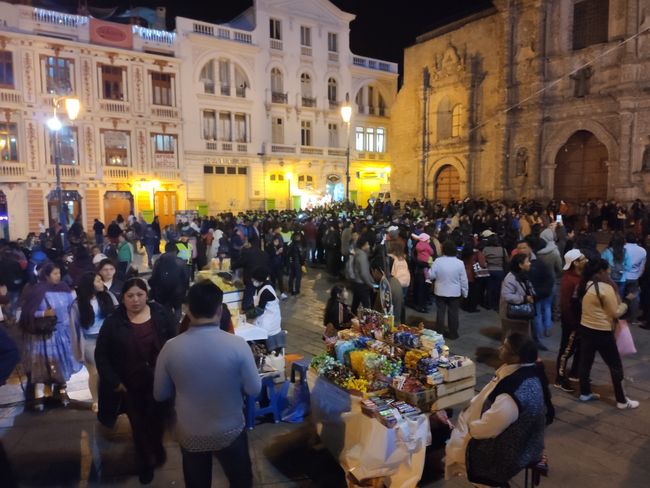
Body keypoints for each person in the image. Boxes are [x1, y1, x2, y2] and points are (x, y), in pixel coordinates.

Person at [154, 281, 260, 488]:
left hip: (191, 432)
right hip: (230, 430)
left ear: (188, 311)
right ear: (220, 309)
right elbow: (254, 389)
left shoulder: (170, 348)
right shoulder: (237, 345)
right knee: (241, 482)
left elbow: (160, 394)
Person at [95, 278, 177, 484]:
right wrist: (115, 382)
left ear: (146, 296)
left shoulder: (160, 314)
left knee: (158, 422)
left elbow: (175, 341)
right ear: (122, 298)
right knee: (139, 427)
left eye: (139, 295)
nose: (135, 300)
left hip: (160, 382)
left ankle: (156, 447)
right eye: (130, 296)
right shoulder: (114, 322)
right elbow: (101, 356)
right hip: (131, 386)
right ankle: (145, 463)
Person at [445, 333, 552, 486]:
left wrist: (469, 429)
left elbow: (488, 428)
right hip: (524, 440)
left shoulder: (513, 392)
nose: (499, 348)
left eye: (505, 347)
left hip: (512, 450)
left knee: (457, 448)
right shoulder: (528, 371)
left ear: (516, 357)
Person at [577, 259, 639, 409]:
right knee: (615, 365)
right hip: (602, 332)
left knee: (585, 362)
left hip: (585, 328)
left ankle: (585, 393)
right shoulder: (605, 288)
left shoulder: (586, 285)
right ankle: (622, 401)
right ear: (600, 272)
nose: (610, 272)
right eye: (608, 270)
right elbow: (615, 312)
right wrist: (627, 301)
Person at [19, 262, 81, 406]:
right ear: (46, 275)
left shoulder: (65, 288)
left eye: (59, 273)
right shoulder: (37, 291)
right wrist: (43, 313)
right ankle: (45, 392)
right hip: (46, 335)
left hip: (63, 333)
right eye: (54, 274)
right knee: (48, 363)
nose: (58, 276)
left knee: (61, 363)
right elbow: (27, 313)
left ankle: (60, 390)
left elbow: (71, 307)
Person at [69, 272, 118, 411]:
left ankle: (111, 397)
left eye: (101, 280)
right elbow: (74, 327)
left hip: (107, 337)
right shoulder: (78, 304)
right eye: (97, 281)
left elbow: (118, 314)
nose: (101, 283)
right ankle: (96, 400)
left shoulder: (108, 297)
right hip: (89, 340)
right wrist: (77, 349)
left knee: (111, 368)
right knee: (95, 371)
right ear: (89, 284)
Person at [554, 249, 586, 392]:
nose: (586, 260)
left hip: (580, 321)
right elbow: (565, 305)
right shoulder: (569, 280)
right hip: (572, 322)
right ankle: (559, 379)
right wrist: (574, 324)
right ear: (575, 263)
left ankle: (574, 373)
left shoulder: (579, 277)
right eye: (582, 258)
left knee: (578, 348)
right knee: (566, 350)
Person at [428, 240, 469, 339]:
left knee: (440, 313)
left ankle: (439, 333)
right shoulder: (459, 263)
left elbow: (431, 275)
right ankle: (453, 333)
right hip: (454, 292)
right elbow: (463, 280)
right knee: (453, 313)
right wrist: (465, 292)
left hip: (440, 291)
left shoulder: (438, 261)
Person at [149, 242, 190, 322]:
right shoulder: (181, 262)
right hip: (178, 292)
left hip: (162, 291)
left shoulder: (159, 261)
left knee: (165, 310)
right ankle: (175, 326)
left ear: (165, 249)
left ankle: (168, 325)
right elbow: (186, 277)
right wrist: (185, 290)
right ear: (176, 250)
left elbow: (154, 276)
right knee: (178, 309)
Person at [499, 253, 535, 339]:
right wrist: (524, 298)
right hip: (513, 315)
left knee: (521, 336)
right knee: (512, 337)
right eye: (527, 261)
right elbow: (507, 295)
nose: (530, 263)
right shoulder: (511, 278)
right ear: (520, 265)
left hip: (522, 313)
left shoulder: (523, 275)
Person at [250, 267, 282, 339]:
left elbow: (259, 310)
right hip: (264, 320)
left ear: (259, 279)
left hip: (269, 324)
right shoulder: (261, 286)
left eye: (254, 279)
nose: (252, 280)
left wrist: (246, 315)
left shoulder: (266, 291)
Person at [623, 232, 646, 325]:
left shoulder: (623, 248)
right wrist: (638, 275)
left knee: (620, 295)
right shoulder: (642, 251)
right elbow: (642, 266)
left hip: (622, 276)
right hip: (634, 276)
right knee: (634, 297)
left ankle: (620, 315)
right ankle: (633, 319)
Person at [482, 231, 508, 311]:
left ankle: (488, 304)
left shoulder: (486, 249)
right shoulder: (502, 249)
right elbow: (506, 259)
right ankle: (496, 304)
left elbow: (483, 260)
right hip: (499, 270)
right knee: (497, 288)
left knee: (489, 288)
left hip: (489, 270)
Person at [351, 236, 375, 314]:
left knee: (355, 303)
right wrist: (371, 284)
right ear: (363, 245)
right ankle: (367, 323)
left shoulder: (357, 253)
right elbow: (364, 273)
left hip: (356, 282)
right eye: (367, 244)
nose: (369, 246)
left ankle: (351, 317)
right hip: (362, 284)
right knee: (367, 306)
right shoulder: (362, 256)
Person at [287, 232, 306, 296]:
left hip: (291, 262)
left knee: (291, 276)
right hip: (297, 263)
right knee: (298, 277)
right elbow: (301, 255)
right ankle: (296, 290)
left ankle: (290, 289)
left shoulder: (290, 243)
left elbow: (287, 252)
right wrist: (302, 263)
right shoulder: (299, 245)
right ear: (298, 237)